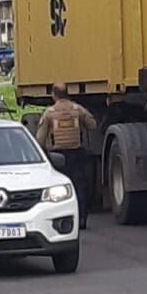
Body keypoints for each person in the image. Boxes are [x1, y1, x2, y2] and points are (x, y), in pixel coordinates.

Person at [36, 83, 97, 229]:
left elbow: (40, 138)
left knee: (59, 190)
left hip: (58, 157)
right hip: (76, 153)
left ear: (54, 95)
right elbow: (92, 124)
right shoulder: (77, 110)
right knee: (79, 186)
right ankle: (82, 217)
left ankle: (63, 220)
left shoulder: (49, 113)